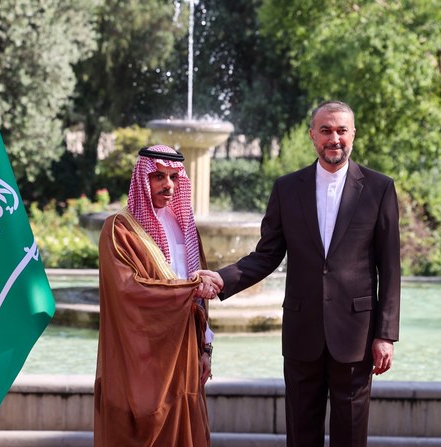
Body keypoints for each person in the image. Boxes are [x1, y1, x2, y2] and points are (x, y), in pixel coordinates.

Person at [199, 100, 401, 447]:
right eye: (325, 130)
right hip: (301, 332)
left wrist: (385, 334)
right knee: (300, 436)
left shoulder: (380, 189)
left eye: (341, 130)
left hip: (356, 336)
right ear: (312, 135)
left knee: (350, 436)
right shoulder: (287, 188)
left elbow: (391, 268)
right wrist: (222, 279)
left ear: (353, 134)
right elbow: (267, 254)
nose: (333, 138)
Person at [94, 144, 219, 447]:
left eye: (174, 177)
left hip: (185, 352)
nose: (168, 185)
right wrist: (188, 287)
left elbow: (200, 300)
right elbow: (128, 291)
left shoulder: (186, 228)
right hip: (141, 358)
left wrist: (206, 349)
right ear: (142, 179)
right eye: (159, 176)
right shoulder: (119, 229)